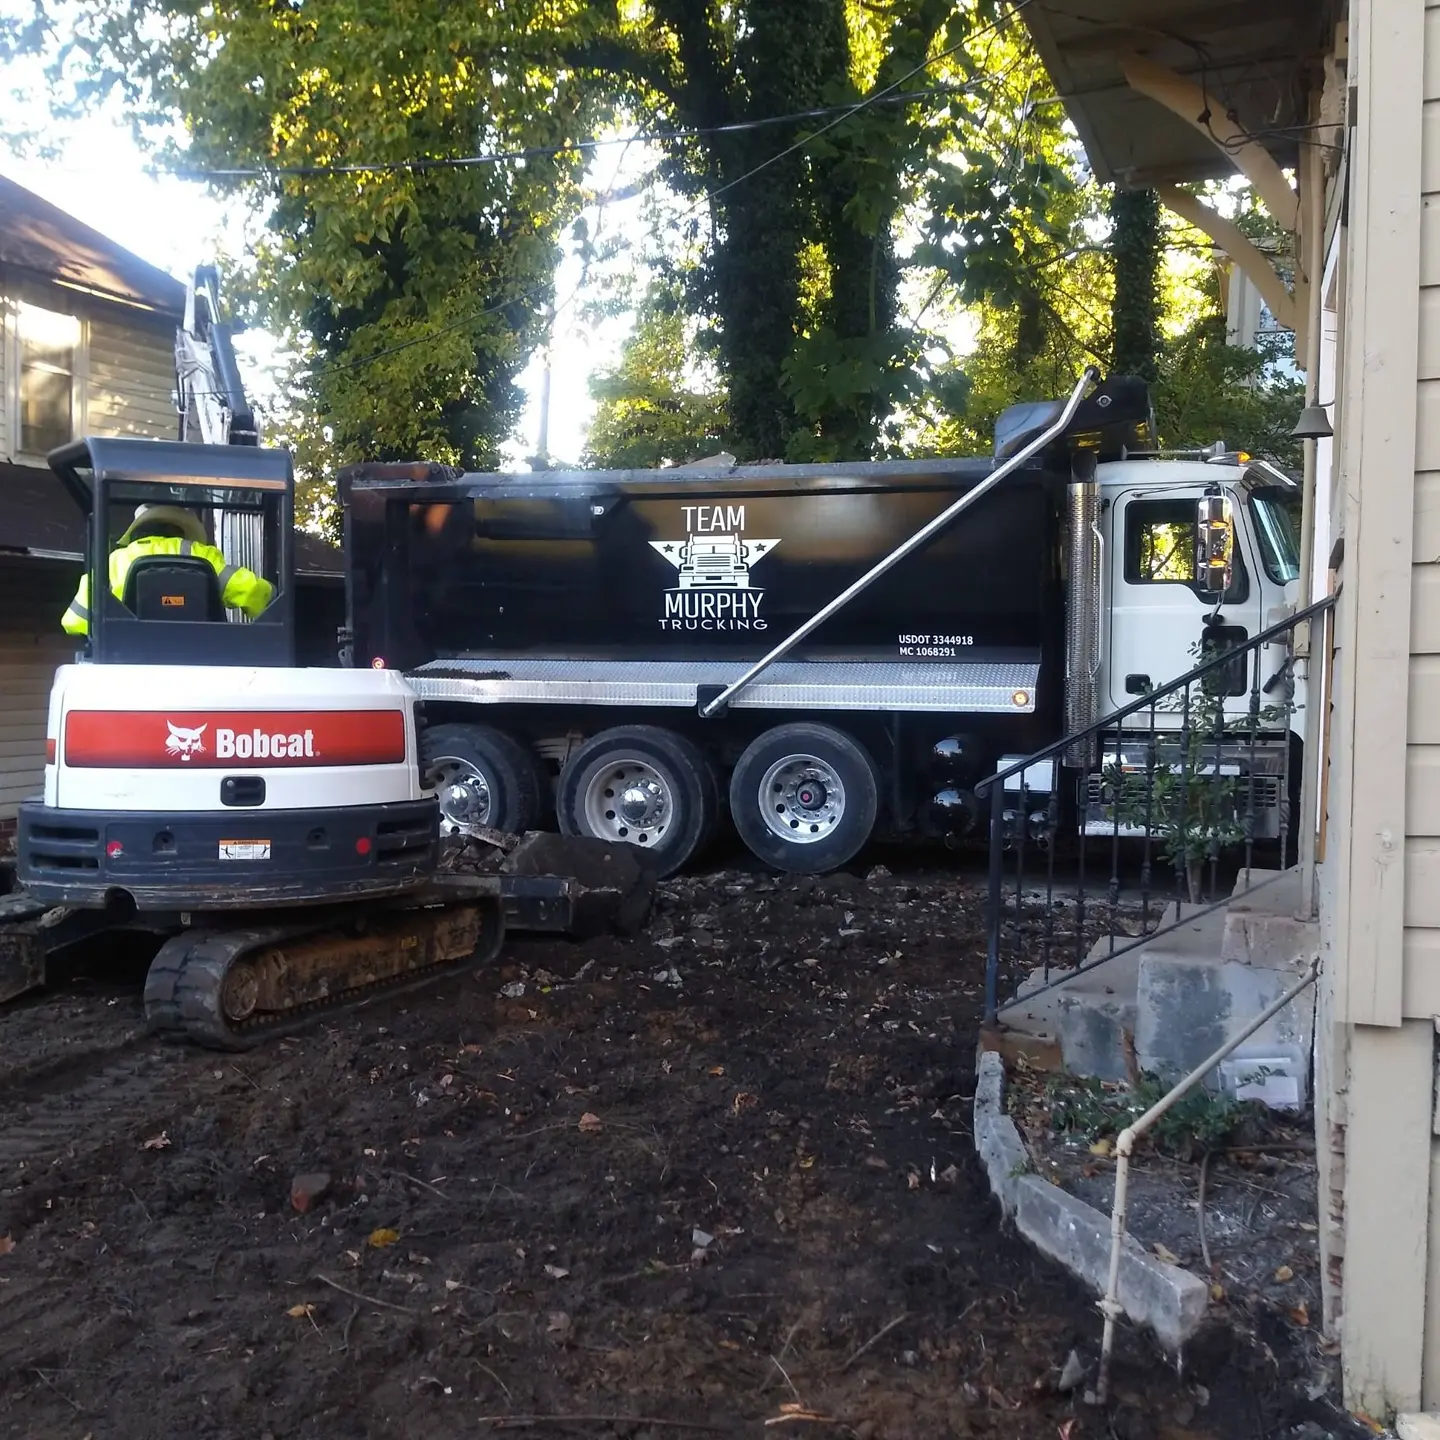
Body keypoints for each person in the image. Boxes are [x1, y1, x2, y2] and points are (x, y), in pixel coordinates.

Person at [62, 504, 275, 637]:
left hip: (132, 662)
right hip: (204, 657)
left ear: (138, 529)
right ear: (180, 528)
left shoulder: (115, 560)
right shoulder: (201, 554)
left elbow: (75, 621)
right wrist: (275, 596)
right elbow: (252, 592)